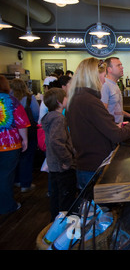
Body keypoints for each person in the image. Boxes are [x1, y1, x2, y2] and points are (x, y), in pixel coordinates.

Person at [66, 57, 130, 190]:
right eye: (103, 76)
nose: (104, 80)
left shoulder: (75, 98)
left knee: (92, 208)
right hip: (95, 166)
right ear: (93, 76)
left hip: (83, 164)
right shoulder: (90, 101)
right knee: (101, 209)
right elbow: (116, 135)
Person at [41, 88, 76, 221]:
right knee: (66, 198)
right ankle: (64, 226)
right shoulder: (59, 119)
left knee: (56, 196)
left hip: (53, 165)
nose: (67, 99)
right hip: (62, 166)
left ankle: (54, 224)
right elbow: (57, 141)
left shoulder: (48, 117)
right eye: (65, 97)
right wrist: (67, 160)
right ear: (59, 102)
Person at [0, 75, 30, 214]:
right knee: (6, 176)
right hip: (9, 145)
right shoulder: (12, 101)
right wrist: (25, 140)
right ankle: (7, 206)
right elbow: (21, 123)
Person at [9, 78, 39, 192]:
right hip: (29, 131)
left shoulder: (8, 100)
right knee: (27, 158)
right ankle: (25, 184)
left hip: (12, 133)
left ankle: (16, 181)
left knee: (15, 158)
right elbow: (36, 115)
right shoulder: (30, 98)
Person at [101, 57, 130, 124]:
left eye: (121, 65)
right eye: (118, 65)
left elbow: (117, 109)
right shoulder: (105, 85)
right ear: (109, 69)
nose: (122, 67)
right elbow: (103, 111)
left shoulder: (115, 84)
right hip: (111, 127)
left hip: (117, 126)